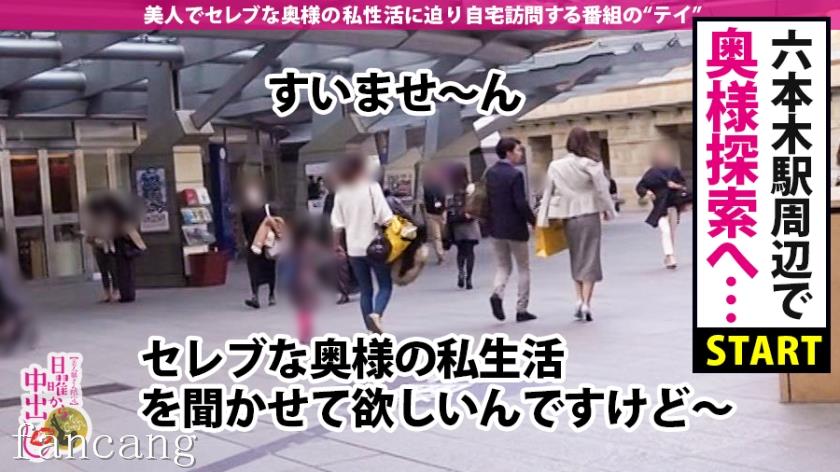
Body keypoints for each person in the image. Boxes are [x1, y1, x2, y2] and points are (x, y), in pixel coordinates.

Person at [537, 127, 615, 322]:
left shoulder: (556, 165)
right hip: (589, 213)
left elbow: (548, 191)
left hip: (568, 215)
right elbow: (602, 190)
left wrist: (543, 218)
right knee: (590, 257)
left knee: (576, 257)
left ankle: (578, 299)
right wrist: (609, 210)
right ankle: (586, 303)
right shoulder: (592, 163)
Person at [330, 153, 395, 334]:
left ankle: (370, 330)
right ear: (361, 168)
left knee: (366, 290)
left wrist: (336, 245)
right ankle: (376, 315)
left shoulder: (341, 191)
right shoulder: (372, 187)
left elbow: (337, 223)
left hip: (354, 249)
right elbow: (385, 217)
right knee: (385, 285)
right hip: (376, 246)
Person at [486, 137, 537, 322]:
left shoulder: (490, 173)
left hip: (496, 227)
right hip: (515, 228)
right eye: (518, 150)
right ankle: (521, 309)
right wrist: (533, 221)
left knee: (503, 266)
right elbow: (520, 203)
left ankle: (497, 293)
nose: (520, 154)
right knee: (523, 268)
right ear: (508, 152)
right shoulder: (515, 175)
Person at [636, 144, 691, 269]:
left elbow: (684, 185)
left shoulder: (674, 170)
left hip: (673, 205)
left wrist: (675, 186)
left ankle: (669, 255)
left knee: (671, 233)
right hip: (660, 207)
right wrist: (648, 192)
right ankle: (670, 256)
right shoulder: (652, 173)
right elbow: (640, 186)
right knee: (665, 231)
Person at [240, 181, 278, 309]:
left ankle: (271, 294)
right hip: (253, 244)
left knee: (269, 269)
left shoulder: (268, 209)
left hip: (267, 243)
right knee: (253, 270)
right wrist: (245, 241)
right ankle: (255, 296)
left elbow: (276, 224)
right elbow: (245, 227)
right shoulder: (246, 211)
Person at [447, 165, 481, 290]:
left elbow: (448, 207)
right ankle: (469, 279)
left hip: (457, 225)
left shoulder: (451, 189)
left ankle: (461, 271)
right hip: (470, 224)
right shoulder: (471, 188)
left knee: (460, 251)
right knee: (470, 252)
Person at [82, 194, 119, 303]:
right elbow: (89, 233)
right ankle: (107, 292)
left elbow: (112, 231)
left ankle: (115, 290)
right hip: (99, 246)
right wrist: (91, 237)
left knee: (112, 269)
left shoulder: (110, 218)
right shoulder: (92, 219)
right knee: (104, 270)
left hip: (109, 246)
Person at [112, 196, 146, 304]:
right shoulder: (128, 216)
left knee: (123, 273)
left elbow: (123, 234)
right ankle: (128, 294)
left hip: (122, 249)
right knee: (128, 273)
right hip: (126, 249)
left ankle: (126, 294)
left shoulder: (121, 221)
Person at [422, 166, 448, 265]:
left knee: (443, 233)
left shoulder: (441, 186)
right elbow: (425, 200)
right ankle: (440, 256)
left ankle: (443, 249)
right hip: (432, 214)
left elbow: (444, 198)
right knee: (436, 236)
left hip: (441, 212)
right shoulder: (426, 187)